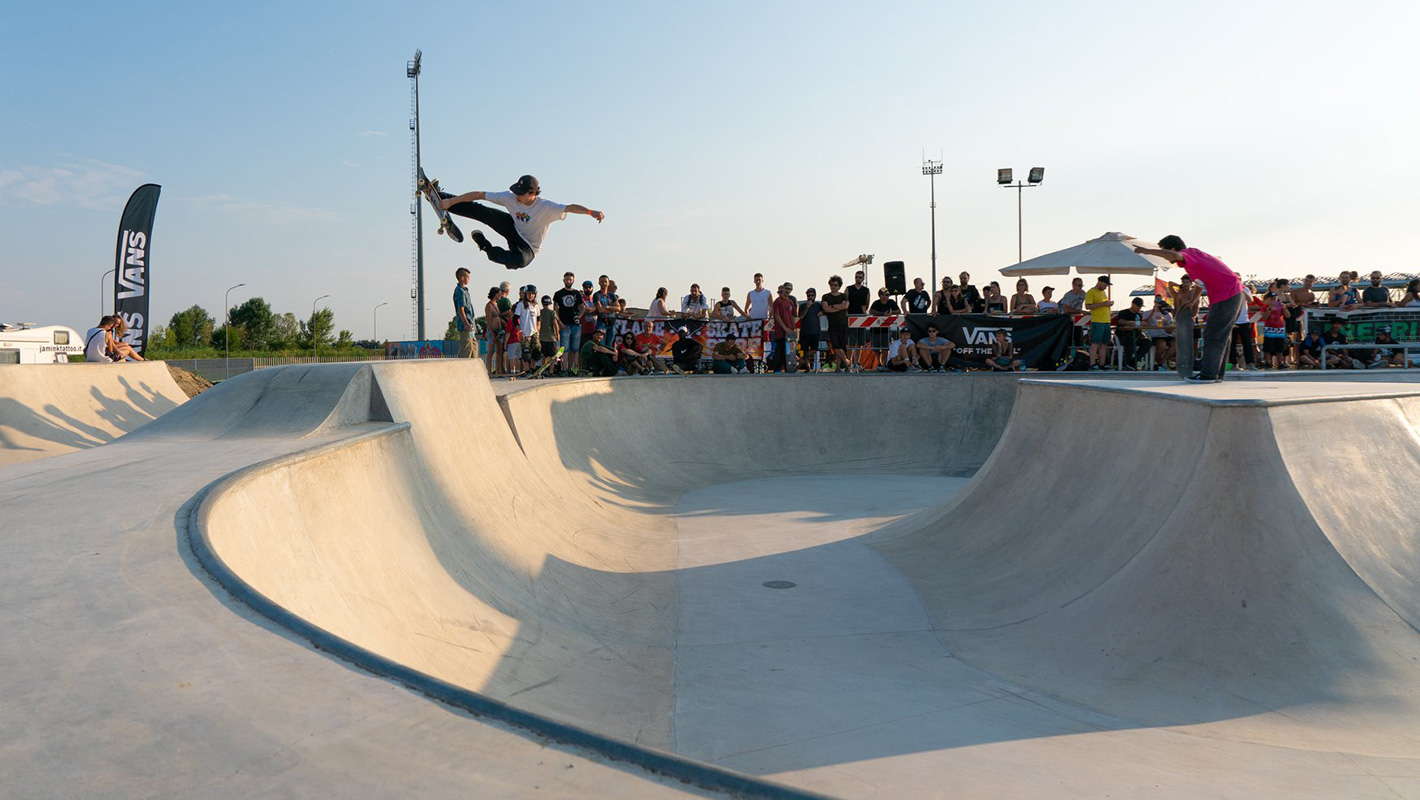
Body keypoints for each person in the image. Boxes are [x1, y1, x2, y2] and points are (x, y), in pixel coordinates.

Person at [1135, 236, 1247, 383]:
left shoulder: (1188, 254)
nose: (1167, 258)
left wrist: (1147, 251)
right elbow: (1200, 284)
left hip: (1227, 295)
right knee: (1221, 336)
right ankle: (1216, 374)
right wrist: (1192, 301)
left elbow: (1174, 256)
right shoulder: (1196, 258)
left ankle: (1208, 375)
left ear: (1172, 249)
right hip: (1233, 293)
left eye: (1165, 252)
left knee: (1213, 335)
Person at [438, 174, 604, 270]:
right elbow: (480, 194)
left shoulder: (546, 206)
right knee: (483, 211)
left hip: (528, 247)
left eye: (521, 194)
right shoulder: (509, 197)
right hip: (513, 228)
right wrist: (451, 202)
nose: (516, 196)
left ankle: (485, 246)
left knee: (518, 262)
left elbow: (570, 207)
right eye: (516, 192)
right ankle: (441, 196)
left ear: (532, 193)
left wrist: (590, 212)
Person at [1169, 275, 1203, 378]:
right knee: (1182, 341)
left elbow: (1196, 305)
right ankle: (1182, 361)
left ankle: (1193, 361)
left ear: (1191, 283)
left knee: (1194, 341)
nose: (1185, 284)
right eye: (1183, 282)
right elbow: (1170, 284)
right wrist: (1178, 285)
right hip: (1181, 319)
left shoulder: (1193, 292)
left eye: (1187, 282)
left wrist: (1193, 316)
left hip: (1192, 318)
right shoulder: (1179, 294)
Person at [553, 272, 584, 373]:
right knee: (564, 349)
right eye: (567, 279)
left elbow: (583, 307)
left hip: (575, 325)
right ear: (563, 280)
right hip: (564, 324)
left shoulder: (577, 293)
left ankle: (570, 369)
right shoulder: (558, 294)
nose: (568, 281)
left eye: (570, 280)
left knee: (574, 349)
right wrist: (559, 322)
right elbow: (555, 310)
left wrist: (579, 317)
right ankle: (564, 369)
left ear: (573, 280)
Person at [821, 275, 852, 372]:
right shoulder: (826, 296)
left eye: (835, 285)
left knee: (842, 347)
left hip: (843, 324)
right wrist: (838, 307)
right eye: (831, 285)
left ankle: (839, 367)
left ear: (839, 286)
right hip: (832, 325)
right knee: (835, 345)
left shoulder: (843, 296)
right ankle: (847, 362)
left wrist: (832, 306)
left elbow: (845, 306)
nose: (833, 287)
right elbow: (826, 308)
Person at [1083, 275, 1113, 371]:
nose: (1106, 287)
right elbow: (1087, 306)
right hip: (1097, 321)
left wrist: (1108, 307)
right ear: (1100, 282)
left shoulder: (1103, 292)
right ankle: (1092, 363)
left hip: (1106, 321)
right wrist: (1103, 304)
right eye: (1105, 285)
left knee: (1104, 344)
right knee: (1095, 343)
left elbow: (1103, 305)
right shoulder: (1091, 292)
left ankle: (1102, 363)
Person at [769, 282, 798, 372]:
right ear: (783, 289)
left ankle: (788, 368)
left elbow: (793, 316)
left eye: (789, 289)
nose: (787, 291)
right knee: (780, 350)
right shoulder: (778, 301)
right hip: (781, 330)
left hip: (790, 331)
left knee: (789, 351)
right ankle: (777, 369)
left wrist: (794, 329)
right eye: (786, 289)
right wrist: (785, 328)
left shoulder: (790, 302)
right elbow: (776, 315)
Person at [1230, 286, 1261, 372]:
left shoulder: (1245, 289)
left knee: (1247, 343)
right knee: (1232, 343)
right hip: (1232, 320)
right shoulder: (1229, 288)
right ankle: (1233, 364)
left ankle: (1250, 363)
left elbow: (1250, 300)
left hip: (1243, 320)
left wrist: (1242, 290)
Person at [1142, 297, 1175, 370]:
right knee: (1162, 344)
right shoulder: (1147, 313)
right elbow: (1145, 323)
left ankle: (1161, 363)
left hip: (1165, 335)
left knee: (1176, 343)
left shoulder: (1167, 315)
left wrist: (1166, 324)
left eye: (1160, 300)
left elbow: (1169, 331)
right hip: (1154, 336)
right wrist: (1153, 311)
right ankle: (1161, 363)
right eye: (1157, 300)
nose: (1159, 303)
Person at [1259, 291, 1289, 369]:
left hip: (1279, 329)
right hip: (1269, 329)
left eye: (1275, 298)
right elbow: (1264, 317)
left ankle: (1280, 362)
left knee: (1279, 347)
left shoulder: (1279, 306)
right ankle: (1268, 362)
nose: (1274, 300)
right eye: (1271, 299)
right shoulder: (1264, 307)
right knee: (1268, 347)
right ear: (1267, 299)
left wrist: (1284, 309)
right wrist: (1269, 309)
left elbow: (1288, 316)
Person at [453, 268, 478, 359]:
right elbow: (461, 309)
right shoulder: (460, 291)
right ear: (462, 278)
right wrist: (466, 323)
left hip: (471, 323)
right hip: (465, 325)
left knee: (473, 348)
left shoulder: (465, 290)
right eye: (468, 277)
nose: (469, 280)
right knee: (466, 349)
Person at [1115, 297, 1146, 370]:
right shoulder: (1123, 312)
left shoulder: (1139, 315)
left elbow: (1140, 325)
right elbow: (1120, 322)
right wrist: (1132, 323)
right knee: (1129, 340)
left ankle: (1134, 361)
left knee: (1147, 343)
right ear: (1132, 304)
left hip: (1136, 336)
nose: (1139, 308)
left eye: (1140, 306)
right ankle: (1130, 362)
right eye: (1138, 306)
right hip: (1123, 336)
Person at [797, 288, 822, 371]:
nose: (810, 297)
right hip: (805, 331)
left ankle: (801, 360)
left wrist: (822, 312)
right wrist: (807, 307)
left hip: (815, 331)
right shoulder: (802, 306)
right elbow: (801, 317)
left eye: (812, 295)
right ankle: (808, 369)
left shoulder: (818, 305)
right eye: (809, 295)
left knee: (814, 349)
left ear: (815, 295)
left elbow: (825, 311)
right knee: (804, 350)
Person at [482, 287, 503, 375]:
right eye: (499, 293)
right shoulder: (489, 305)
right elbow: (488, 320)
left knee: (499, 351)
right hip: (492, 330)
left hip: (498, 330)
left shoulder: (496, 304)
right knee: (490, 351)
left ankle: (498, 370)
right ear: (495, 294)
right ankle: (488, 371)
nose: (501, 295)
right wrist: (492, 334)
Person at [538, 295, 560, 370]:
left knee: (544, 356)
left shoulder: (540, 312)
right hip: (551, 337)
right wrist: (557, 334)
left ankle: (542, 370)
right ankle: (551, 371)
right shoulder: (552, 312)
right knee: (552, 356)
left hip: (542, 337)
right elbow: (555, 324)